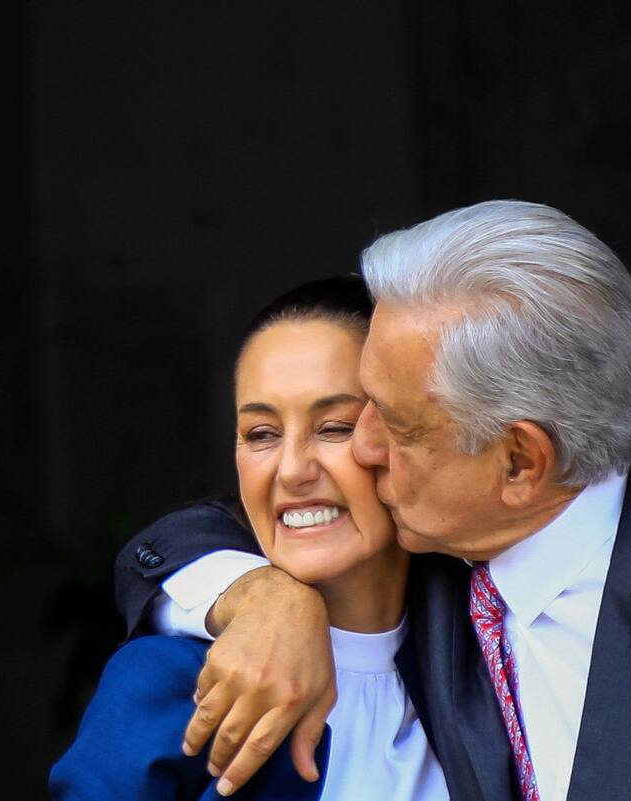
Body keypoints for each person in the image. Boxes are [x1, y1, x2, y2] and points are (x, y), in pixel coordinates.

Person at [115, 200, 631, 801]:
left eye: (388, 420)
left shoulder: (441, 571)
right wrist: (266, 599)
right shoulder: (432, 547)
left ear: (521, 462)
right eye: (262, 432)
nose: (364, 447)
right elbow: (177, 541)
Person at [51, 276, 450, 801]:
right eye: (261, 434)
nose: (291, 471)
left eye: (334, 426)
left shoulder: (488, 653)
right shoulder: (170, 682)